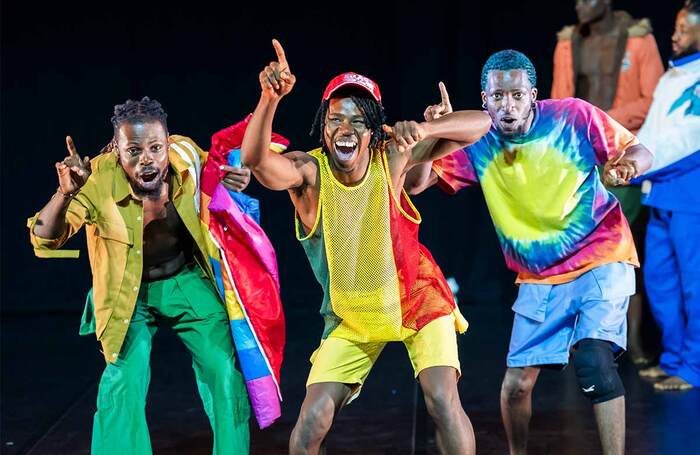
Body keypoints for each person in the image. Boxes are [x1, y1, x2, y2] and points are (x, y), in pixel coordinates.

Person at [241, 39, 491, 455]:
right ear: (323, 128)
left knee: (443, 400)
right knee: (309, 426)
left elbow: (483, 123)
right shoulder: (308, 173)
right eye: (336, 119)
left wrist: (429, 129)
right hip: (353, 317)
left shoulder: (390, 157)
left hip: (417, 300)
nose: (346, 128)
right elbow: (256, 161)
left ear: (374, 131)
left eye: (359, 121)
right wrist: (269, 98)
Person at [407, 50, 653, 455]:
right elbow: (416, 184)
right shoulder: (477, 141)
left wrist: (627, 167)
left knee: (593, 362)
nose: (508, 106)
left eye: (517, 95)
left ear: (533, 95)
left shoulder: (573, 116)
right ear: (484, 100)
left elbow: (641, 151)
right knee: (517, 387)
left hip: (601, 255)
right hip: (538, 276)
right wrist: (435, 133)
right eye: (498, 97)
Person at [27, 97, 255, 454]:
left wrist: (235, 177)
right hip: (127, 292)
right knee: (124, 380)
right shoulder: (97, 179)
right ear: (116, 151)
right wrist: (64, 193)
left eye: (155, 147)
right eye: (133, 150)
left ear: (167, 143)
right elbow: (43, 238)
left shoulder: (185, 156)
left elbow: (218, 173)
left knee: (225, 372)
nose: (146, 158)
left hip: (186, 279)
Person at [552, 0, 664, 364]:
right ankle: (580, 341)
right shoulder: (568, 42)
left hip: (621, 156)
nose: (580, 5)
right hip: (580, 160)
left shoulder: (638, 39)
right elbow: (559, 101)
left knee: (623, 254)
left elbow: (653, 99)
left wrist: (599, 120)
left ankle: (632, 344)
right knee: (577, 253)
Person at [635, 0, 700, 392]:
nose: (674, 34)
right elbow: (653, 134)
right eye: (675, 26)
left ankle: (692, 367)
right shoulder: (672, 75)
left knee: (694, 285)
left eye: (683, 28)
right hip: (658, 194)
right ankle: (673, 358)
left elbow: (687, 142)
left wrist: (643, 165)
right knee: (660, 283)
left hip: (689, 195)